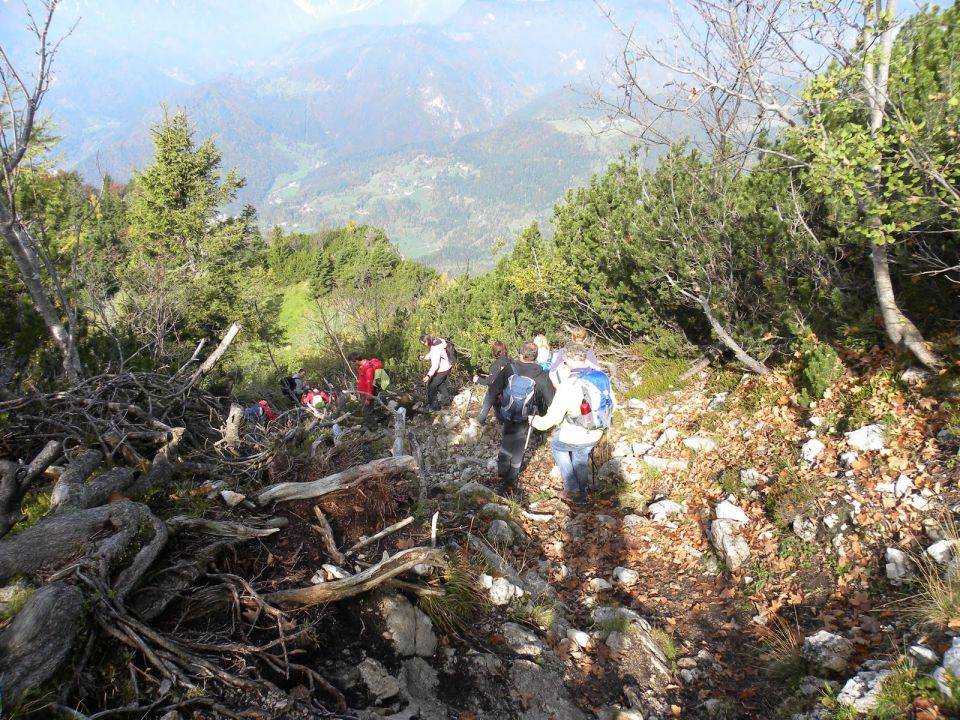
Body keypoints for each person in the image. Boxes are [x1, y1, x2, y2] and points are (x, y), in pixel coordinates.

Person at [533, 344, 615, 506]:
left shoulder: (569, 385)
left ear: (569, 360)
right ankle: (582, 492)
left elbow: (551, 420)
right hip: (597, 430)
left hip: (577, 433)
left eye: (564, 362)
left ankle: (572, 489)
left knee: (557, 446)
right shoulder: (601, 377)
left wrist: (533, 420)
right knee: (580, 457)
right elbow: (612, 402)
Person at [490, 341, 555, 484]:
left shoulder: (510, 368)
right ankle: (513, 474)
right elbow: (550, 401)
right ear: (536, 356)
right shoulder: (543, 375)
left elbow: (494, 389)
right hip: (527, 414)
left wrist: (493, 409)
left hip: (508, 410)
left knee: (507, 437)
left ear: (520, 354)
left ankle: (502, 468)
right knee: (520, 441)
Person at [474, 340, 511, 424]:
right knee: (497, 405)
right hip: (506, 390)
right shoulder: (510, 361)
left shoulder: (496, 365)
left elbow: (491, 381)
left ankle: (480, 420)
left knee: (487, 403)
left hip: (495, 390)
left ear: (495, 352)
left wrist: (478, 380)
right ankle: (501, 421)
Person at [420, 334, 452, 411]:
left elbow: (435, 365)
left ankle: (434, 407)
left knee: (431, 386)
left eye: (424, 343)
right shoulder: (436, 340)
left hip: (442, 369)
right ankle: (447, 402)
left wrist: (428, 375)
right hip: (447, 366)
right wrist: (424, 357)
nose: (424, 345)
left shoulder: (435, 348)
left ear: (427, 340)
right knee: (440, 384)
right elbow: (433, 354)